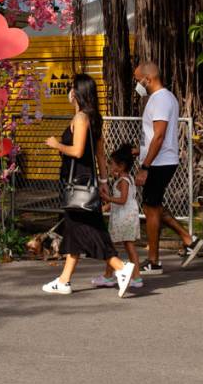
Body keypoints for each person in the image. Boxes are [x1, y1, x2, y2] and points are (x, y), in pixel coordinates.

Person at [41, 73, 134, 297]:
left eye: (72, 88)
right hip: (87, 180)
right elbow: (100, 155)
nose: (69, 92)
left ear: (77, 92)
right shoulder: (93, 118)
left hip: (79, 182)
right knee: (78, 229)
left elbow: (77, 151)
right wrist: (103, 181)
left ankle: (120, 267)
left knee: (84, 229)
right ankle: (64, 281)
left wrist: (56, 144)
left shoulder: (81, 118)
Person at [133, 62, 202, 275]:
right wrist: (139, 151)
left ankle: (153, 261)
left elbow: (159, 136)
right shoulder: (164, 97)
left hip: (159, 162)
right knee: (153, 205)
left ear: (148, 79)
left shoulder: (161, 99)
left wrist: (145, 166)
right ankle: (188, 240)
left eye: (138, 81)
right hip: (160, 159)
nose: (138, 85)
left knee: (150, 208)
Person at [94, 144, 144, 290]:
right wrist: (106, 206)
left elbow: (122, 200)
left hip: (123, 218)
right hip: (126, 216)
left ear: (121, 166)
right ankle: (133, 277)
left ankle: (111, 276)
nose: (110, 166)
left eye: (112, 164)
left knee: (113, 247)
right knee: (127, 246)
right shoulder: (126, 178)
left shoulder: (123, 181)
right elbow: (123, 200)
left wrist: (107, 198)